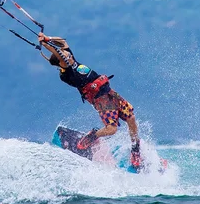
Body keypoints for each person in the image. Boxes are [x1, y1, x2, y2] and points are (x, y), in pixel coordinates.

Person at [37, 31, 142, 169]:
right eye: (65, 56)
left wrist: (48, 38)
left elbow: (62, 43)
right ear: (61, 62)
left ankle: (135, 149)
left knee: (131, 118)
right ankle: (93, 136)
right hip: (101, 100)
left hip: (110, 93)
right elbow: (57, 52)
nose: (68, 54)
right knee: (111, 129)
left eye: (68, 54)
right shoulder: (67, 72)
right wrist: (44, 43)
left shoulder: (72, 61)